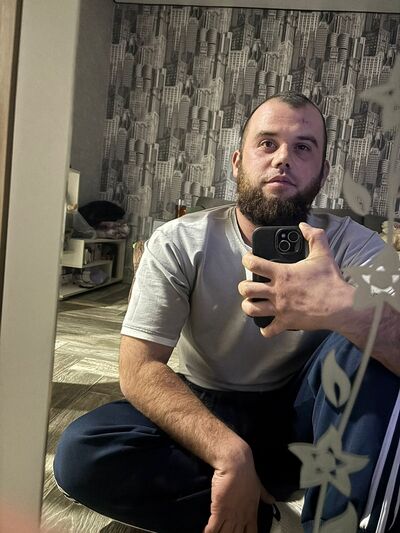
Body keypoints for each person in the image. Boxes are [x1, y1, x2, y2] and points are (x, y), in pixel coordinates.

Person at [53, 93, 400, 533]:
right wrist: (230, 453)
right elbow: (138, 368)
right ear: (237, 162)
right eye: (267, 143)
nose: (283, 159)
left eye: (303, 147)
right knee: (83, 452)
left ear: (323, 172)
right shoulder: (179, 241)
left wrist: (343, 309)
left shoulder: (354, 246)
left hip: (307, 420)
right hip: (207, 408)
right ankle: (264, 518)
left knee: (366, 350)